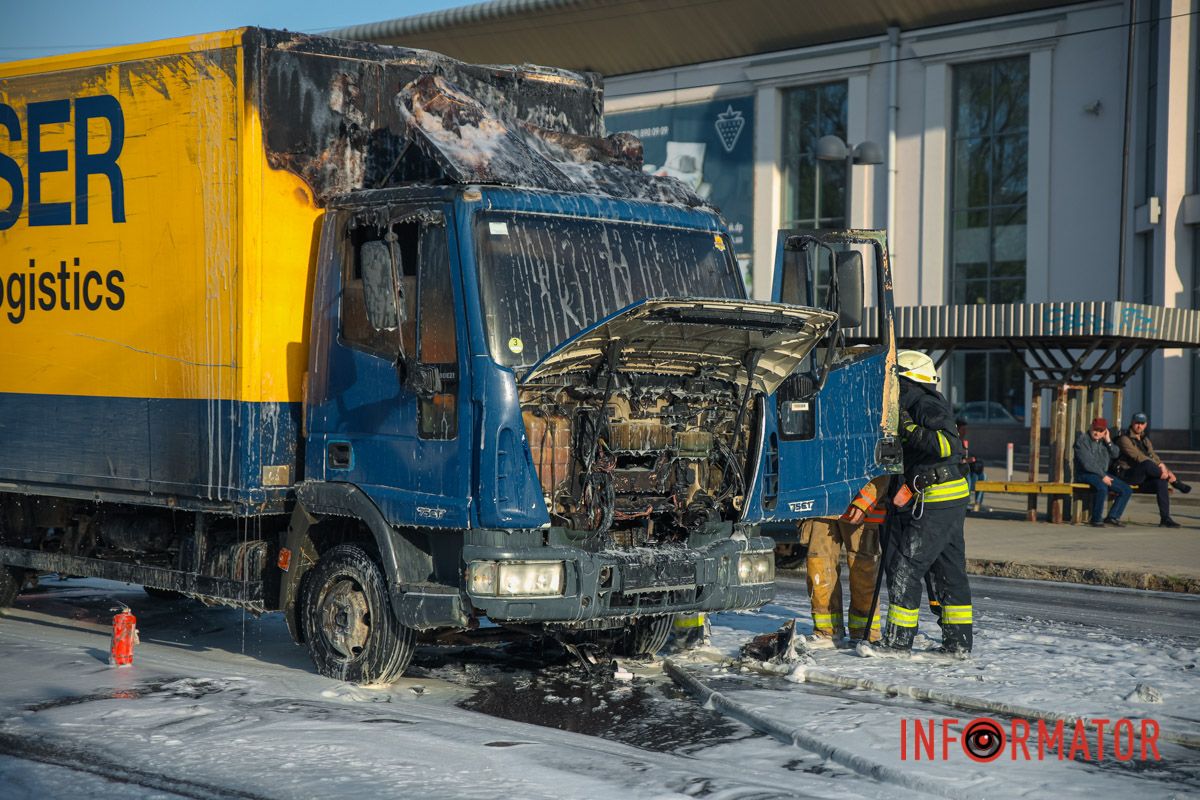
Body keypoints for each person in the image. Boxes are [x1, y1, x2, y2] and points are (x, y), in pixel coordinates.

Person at [866, 350, 973, 658]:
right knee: (947, 570)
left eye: (895, 380)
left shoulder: (923, 403)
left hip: (936, 496)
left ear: (907, 379)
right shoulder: (918, 402)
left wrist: (908, 428)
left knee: (905, 567)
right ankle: (958, 644)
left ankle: (898, 642)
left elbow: (945, 445)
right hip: (945, 496)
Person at [800, 476, 888, 646]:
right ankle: (826, 632)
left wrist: (865, 500)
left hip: (859, 503)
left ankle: (865, 633)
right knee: (818, 566)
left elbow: (882, 462)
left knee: (863, 571)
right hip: (822, 504)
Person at [1115, 412, 1191, 528]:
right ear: (1132, 423)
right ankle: (1175, 482)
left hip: (1144, 477)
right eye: (1137, 423)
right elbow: (1138, 457)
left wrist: (1163, 467)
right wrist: (1163, 470)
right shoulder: (1124, 438)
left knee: (1161, 482)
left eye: (1142, 423)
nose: (1139, 426)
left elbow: (1154, 457)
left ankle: (1165, 519)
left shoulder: (1145, 439)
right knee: (1146, 464)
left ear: (1145, 425)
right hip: (1128, 475)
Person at [1073, 417, 1132, 527]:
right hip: (1084, 474)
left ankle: (1112, 517)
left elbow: (1115, 454)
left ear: (1105, 432)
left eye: (1101, 431)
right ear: (1091, 428)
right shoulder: (1082, 440)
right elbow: (1087, 464)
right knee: (1102, 487)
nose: (1097, 433)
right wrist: (1103, 476)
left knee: (1126, 489)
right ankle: (1096, 519)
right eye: (1095, 430)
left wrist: (1108, 441)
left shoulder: (1104, 442)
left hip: (1101, 474)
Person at [957, 419, 986, 512]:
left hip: (967, 468)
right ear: (957, 429)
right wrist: (966, 460)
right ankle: (965, 503)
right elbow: (954, 460)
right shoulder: (954, 441)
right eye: (963, 429)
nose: (965, 432)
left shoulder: (962, 441)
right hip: (959, 469)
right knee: (968, 479)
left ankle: (977, 503)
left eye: (966, 429)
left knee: (983, 476)